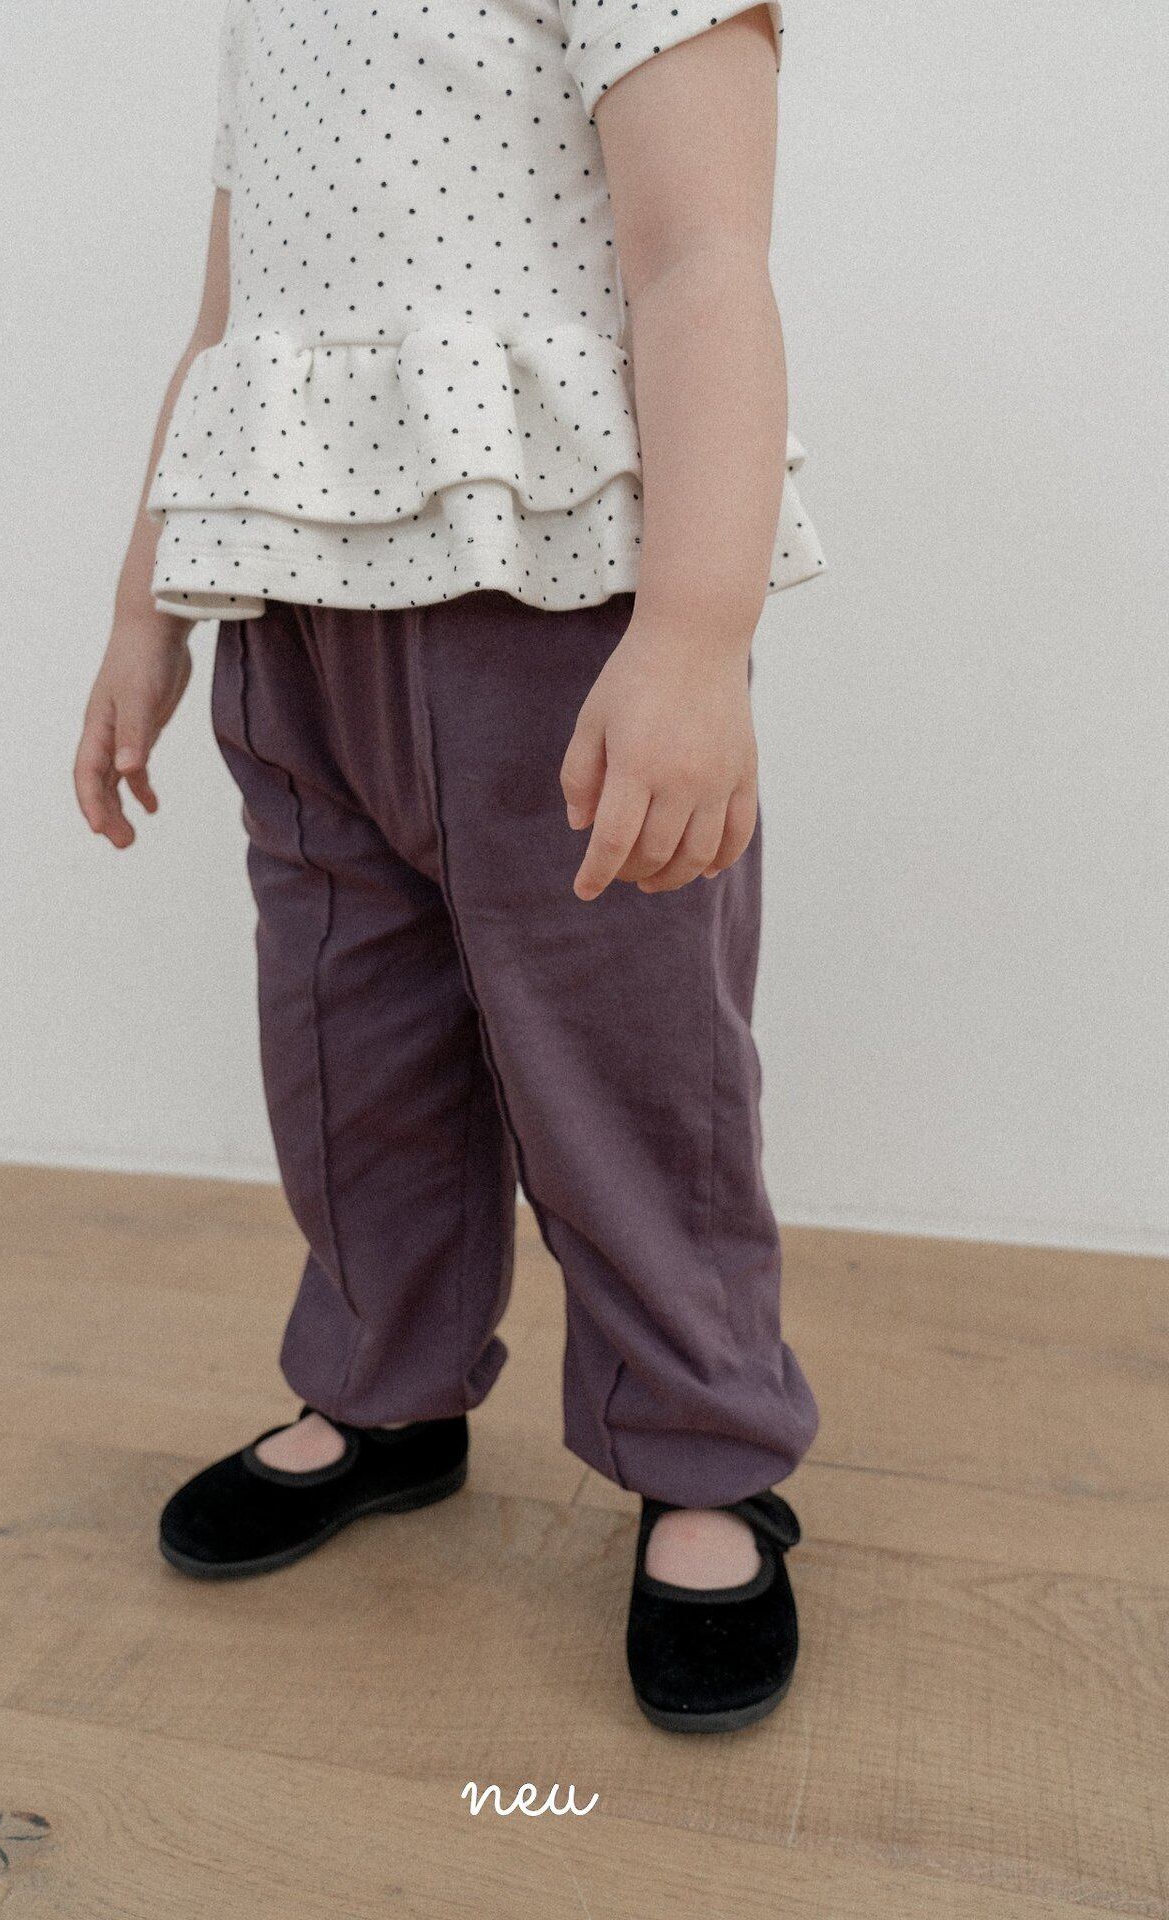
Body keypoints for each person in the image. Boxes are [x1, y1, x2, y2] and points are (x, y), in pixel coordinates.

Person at [74, 0, 826, 1733]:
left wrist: (693, 637)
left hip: (554, 604)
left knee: (631, 1073)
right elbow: (228, 317)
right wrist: (144, 608)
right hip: (298, 606)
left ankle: (704, 1451)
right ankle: (383, 1388)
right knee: (347, 1049)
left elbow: (706, 257)